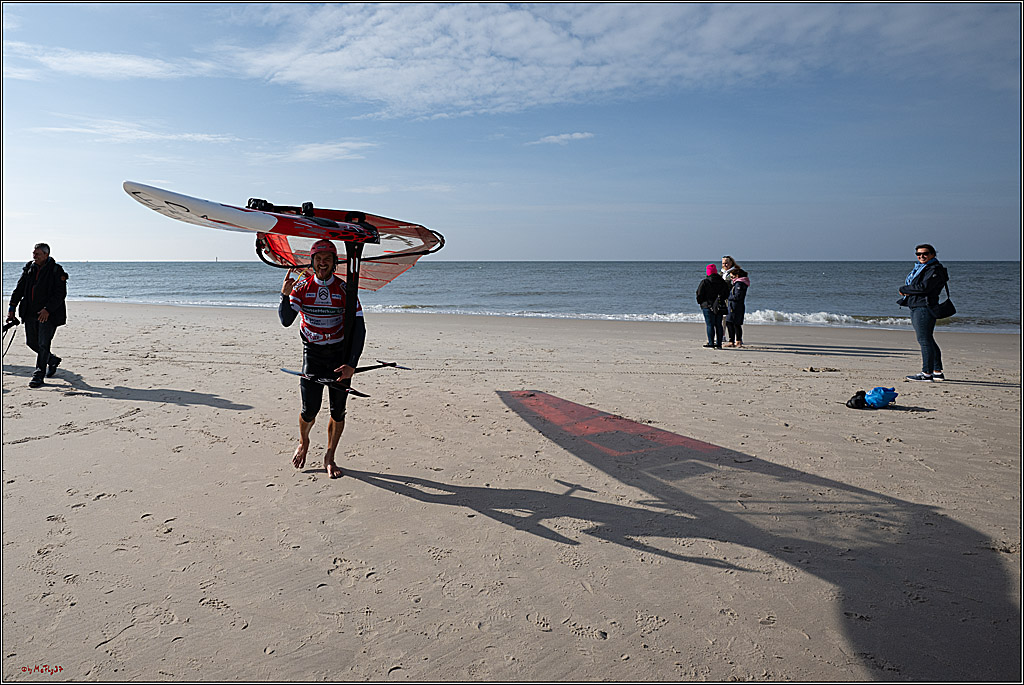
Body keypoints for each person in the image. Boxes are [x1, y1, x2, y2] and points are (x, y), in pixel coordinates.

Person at [279, 239, 366, 478]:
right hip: (313, 353)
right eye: (318, 259)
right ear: (312, 262)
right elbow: (286, 320)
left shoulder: (344, 290)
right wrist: (284, 296)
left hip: (338, 355)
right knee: (309, 410)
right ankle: (304, 441)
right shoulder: (302, 288)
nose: (323, 263)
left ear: (335, 262)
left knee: (338, 411)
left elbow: (359, 329)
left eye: (327, 259)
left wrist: (352, 364)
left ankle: (330, 455)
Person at [6, 243, 68, 388]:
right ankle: (52, 360)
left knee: (43, 344)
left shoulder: (56, 270)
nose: (34, 256)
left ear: (46, 255)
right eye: (33, 253)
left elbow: (60, 294)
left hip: (48, 315)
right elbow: (19, 289)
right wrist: (12, 308)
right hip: (29, 313)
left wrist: (47, 309)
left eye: (37, 254)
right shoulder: (29, 268)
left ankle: (39, 375)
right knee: (31, 343)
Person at [898, 243, 947, 382]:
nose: (921, 256)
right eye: (918, 254)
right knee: (928, 339)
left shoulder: (934, 269)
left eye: (925, 254)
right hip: (917, 305)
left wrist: (905, 289)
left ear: (933, 254)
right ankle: (937, 371)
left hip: (924, 307)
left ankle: (926, 374)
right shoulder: (923, 268)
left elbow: (924, 287)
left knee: (924, 340)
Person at [696, 264, 730, 349]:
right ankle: (719, 343)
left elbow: (699, 294)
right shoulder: (722, 282)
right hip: (719, 305)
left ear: (708, 272)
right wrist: (720, 300)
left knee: (710, 324)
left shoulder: (705, 282)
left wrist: (701, 303)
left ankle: (711, 342)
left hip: (707, 305)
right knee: (718, 324)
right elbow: (726, 293)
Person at [725, 266, 750, 347]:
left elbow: (738, 296)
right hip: (735, 306)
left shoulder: (739, 284)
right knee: (733, 323)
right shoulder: (739, 283)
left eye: (732, 276)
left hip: (735, 306)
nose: (731, 278)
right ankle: (733, 341)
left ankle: (736, 341)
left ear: (737, 276)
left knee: (733, 323)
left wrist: (728, 297)